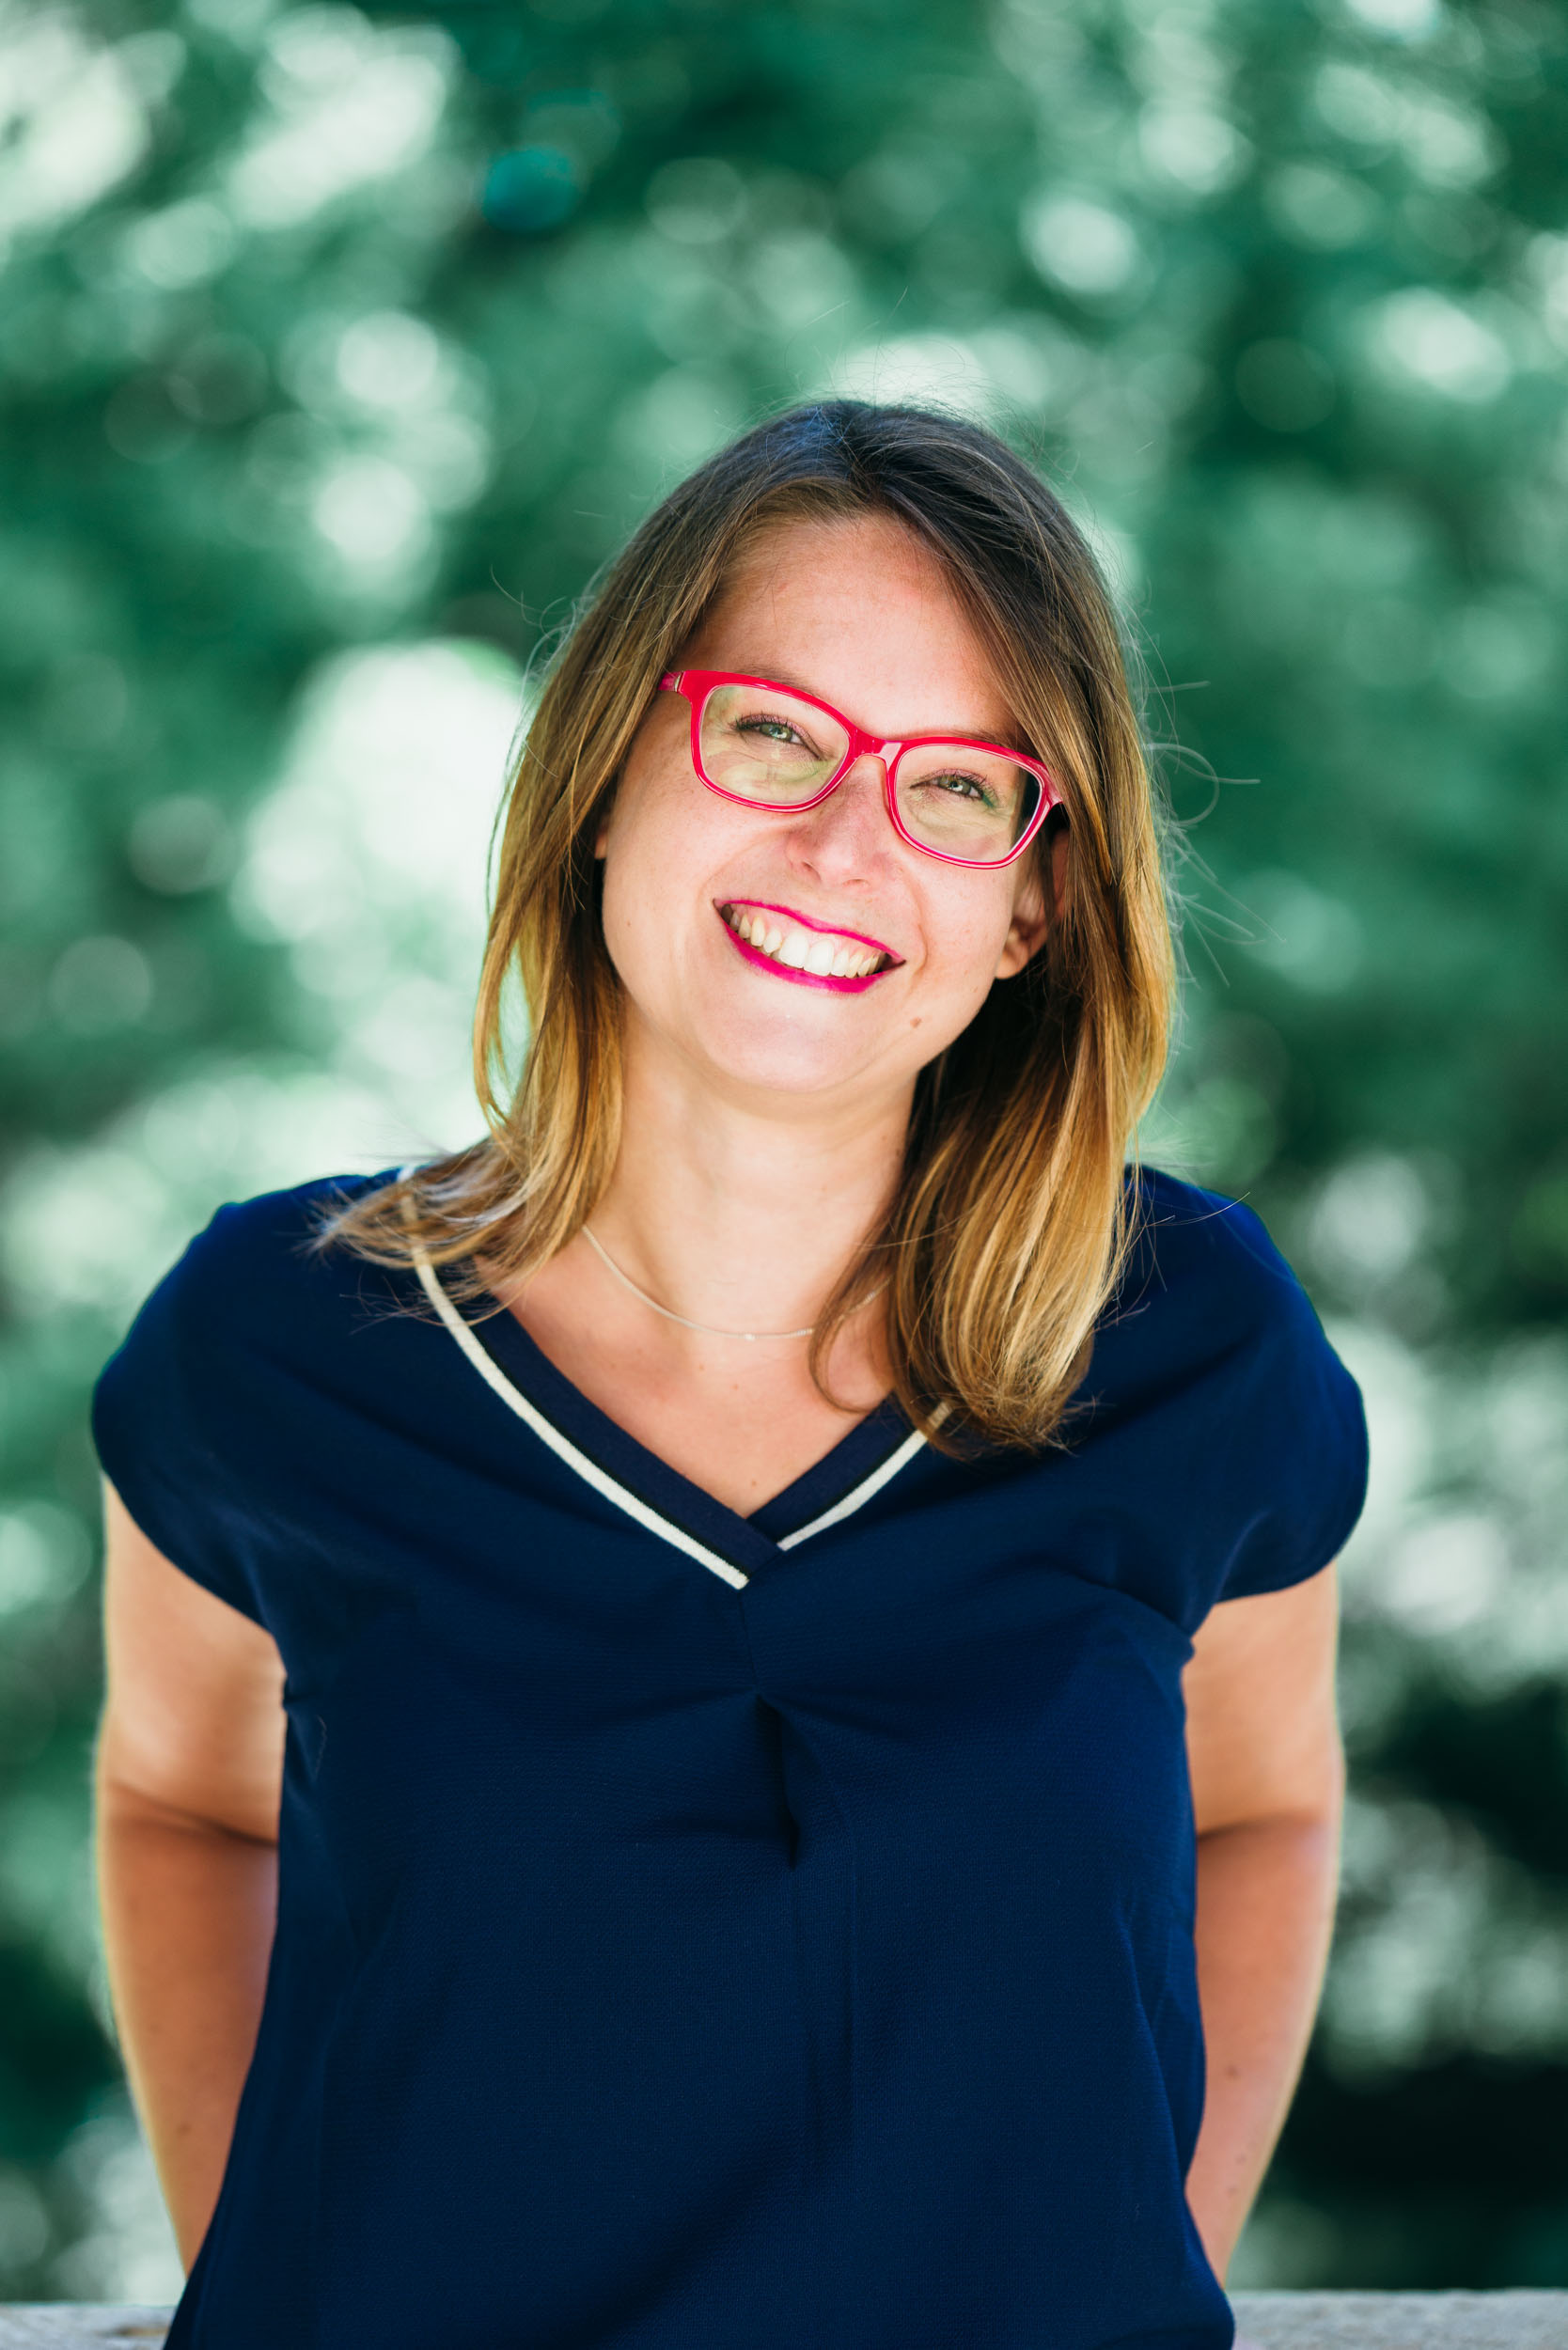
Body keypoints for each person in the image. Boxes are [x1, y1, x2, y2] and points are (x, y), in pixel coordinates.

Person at [91, 400, 1368, 2350]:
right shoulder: (275, 1343)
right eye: (769, 731)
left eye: (960, 785)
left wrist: (1139, 2257)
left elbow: (1262, 1808)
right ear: (604, 771)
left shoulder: (1187, 1344)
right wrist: (276, 2258)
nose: (847, 838)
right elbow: (183, 1805)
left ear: (1033, 901)